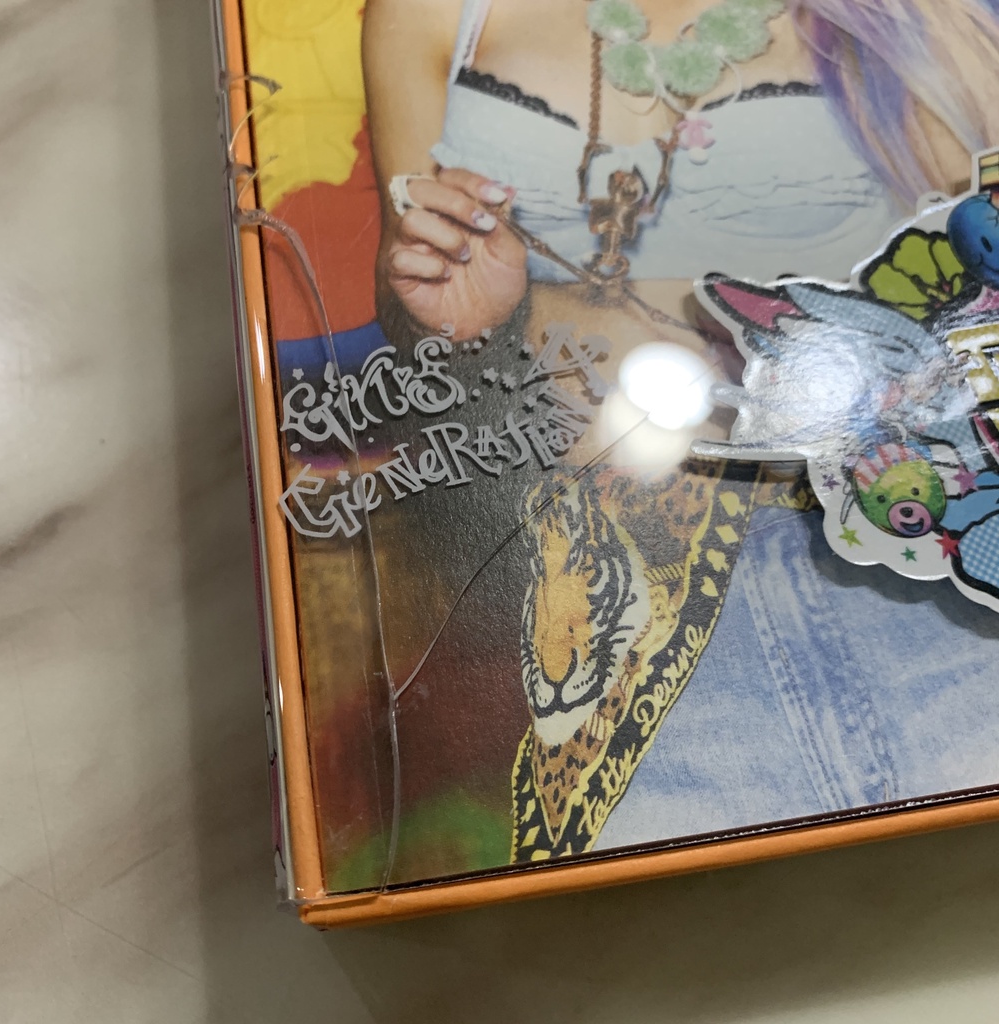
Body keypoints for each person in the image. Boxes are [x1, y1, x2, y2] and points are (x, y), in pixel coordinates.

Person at [361, 0, 999, 863]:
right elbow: (419, 322)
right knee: (665, 929)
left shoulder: (909, 16)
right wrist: (450, 312)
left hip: (905, 556)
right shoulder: (426, 15)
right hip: (623, 588)